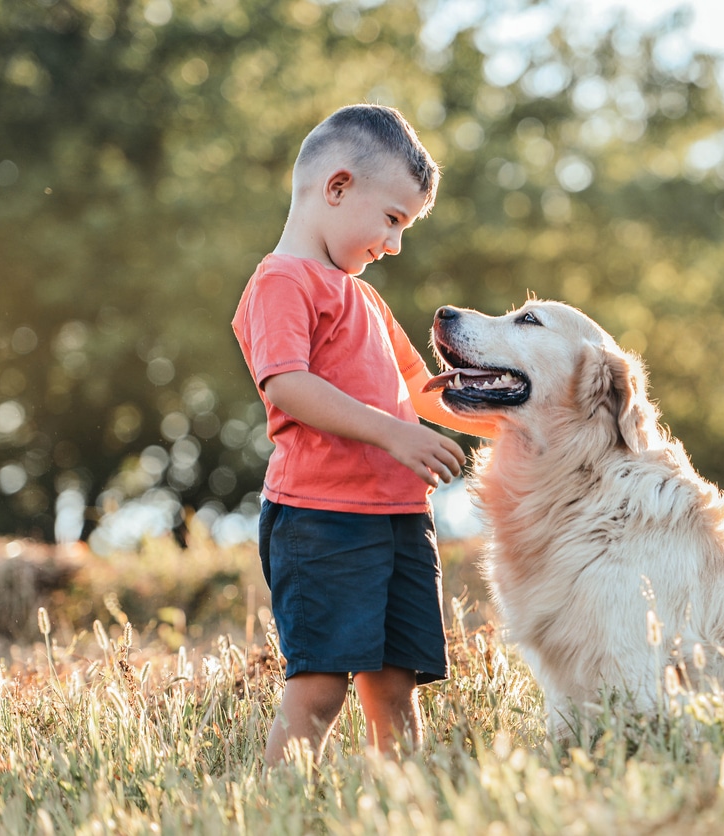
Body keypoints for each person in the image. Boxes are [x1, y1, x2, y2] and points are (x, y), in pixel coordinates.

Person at [231, 104, 496, 766]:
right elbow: (286, 383)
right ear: (338, 186)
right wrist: (391, 435)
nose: (395, 243)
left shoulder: (367, 298)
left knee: (397, 687)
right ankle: (276, 810)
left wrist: (517, 424)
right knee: (320, 686)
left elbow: (421, 392)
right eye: (393, 220)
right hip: (323, 518)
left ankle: (401, 807)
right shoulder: (281, 281)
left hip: (402, 520)